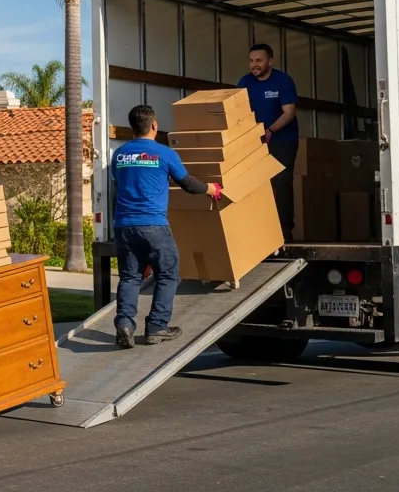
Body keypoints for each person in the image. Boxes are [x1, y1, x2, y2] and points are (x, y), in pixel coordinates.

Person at [111, 105, 220, 349]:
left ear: (132, 128)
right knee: (169, 273)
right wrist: (210, 189)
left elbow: (119, 182)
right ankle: (157, 327)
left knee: (130, 277)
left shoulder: (119, 154)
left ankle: (125, 325)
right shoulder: (165, 153)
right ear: (154, 126)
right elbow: (188, 184)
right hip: (153, 225)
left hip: (124, 226)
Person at [237, 43, 299, 239]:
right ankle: (259, 233)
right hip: (255, 141)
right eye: (251, 60)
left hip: (282, 140)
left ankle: (284, 231)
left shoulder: (283, 81)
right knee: (256, 184)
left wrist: (270, 130)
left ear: (270, 61)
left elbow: (289, 113)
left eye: (259, 60)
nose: (254, 64)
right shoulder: (244, 83)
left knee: (281, 181)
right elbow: (237, 112)